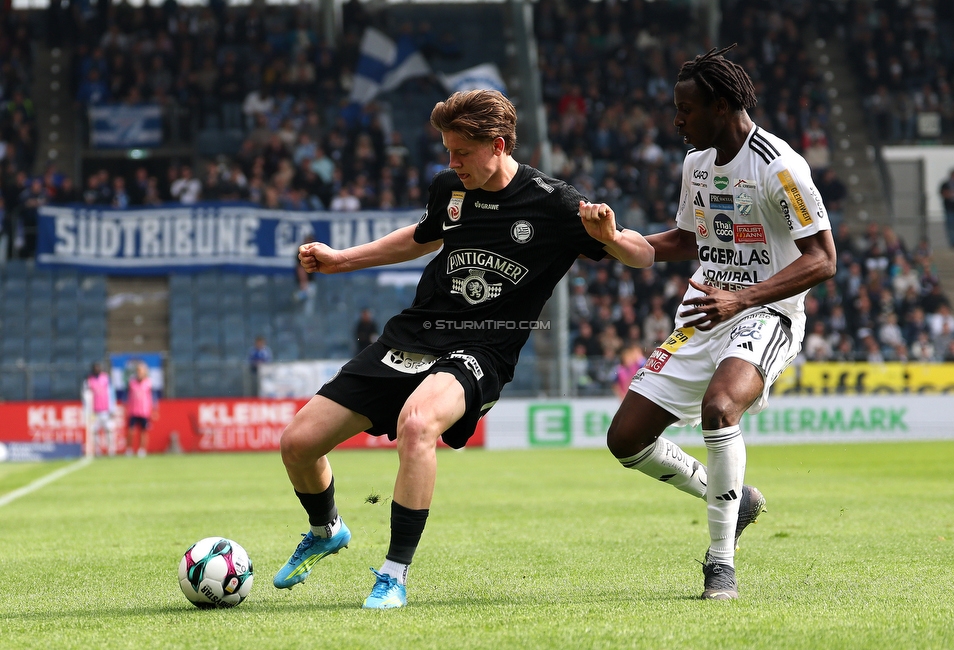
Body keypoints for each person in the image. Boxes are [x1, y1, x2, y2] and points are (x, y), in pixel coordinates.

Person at [272, 89, 655, 609]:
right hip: (416, 334)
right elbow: (422, 236)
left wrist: (610, 237)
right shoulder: (450, 188)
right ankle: (326, 530)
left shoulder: (554, 202)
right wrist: (343, 260)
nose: (452, 163)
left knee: (417, 425)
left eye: (462, 153)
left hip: (483, 349)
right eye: (448, 151)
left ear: (498, 145)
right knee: (297, 443)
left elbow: (643, 255)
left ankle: (393, 575)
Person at [605, 46, 836, 600]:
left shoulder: (780, 166)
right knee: (626, 439)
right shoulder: (697, 164)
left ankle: (720, 564)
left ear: (721, 105)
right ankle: (735, 498)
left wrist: (743, 298)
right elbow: (688, 239)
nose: (677, 120)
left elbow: (823, 259)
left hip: (768, 311)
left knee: (720, 407)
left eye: (685, 109)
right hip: (706, 309)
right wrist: (612, 240)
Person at [125, 361, 157, 457]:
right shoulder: (131, 382)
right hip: (133, 410)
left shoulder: (148, 383)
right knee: (131, 431)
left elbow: (153, 397)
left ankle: (142, 450)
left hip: (144, 411)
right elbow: (126, 396)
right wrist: (125, 407)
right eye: (138, 371)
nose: (139, 373)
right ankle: (129, 449)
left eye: (141, 371)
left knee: (143, 431)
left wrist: (154, 410)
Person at [84, 362, 116, 456]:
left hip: (106, 410)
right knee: (94, 431)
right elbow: (86, 396)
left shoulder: (106, 378)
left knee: (109, 430)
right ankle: (97, 450)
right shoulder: (89, 380)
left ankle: (111, 450)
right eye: (95, 368)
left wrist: (112, 409)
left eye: (98, 367)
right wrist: (88, 411)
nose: (97, 369)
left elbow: (111, 394)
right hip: (94, 411)